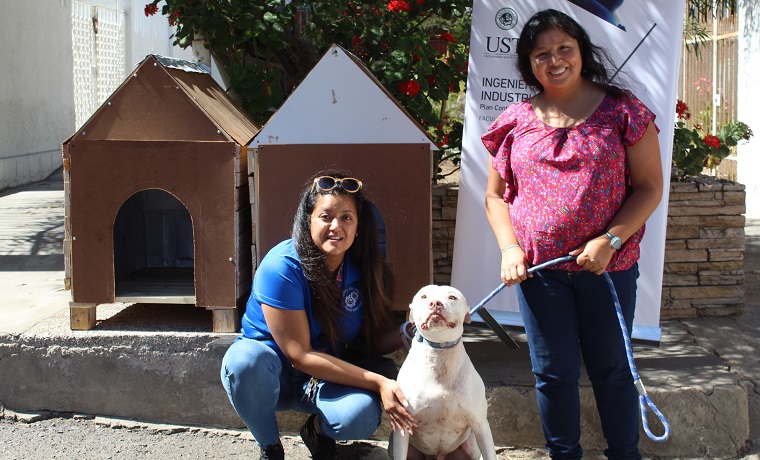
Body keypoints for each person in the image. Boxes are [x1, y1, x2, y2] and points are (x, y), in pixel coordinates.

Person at [481, 9, 663, 460]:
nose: (555, 60)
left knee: (613, 371)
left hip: (609, 270)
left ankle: (625, 455)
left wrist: (611, 240)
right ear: (528, 63)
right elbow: (495, 197)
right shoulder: (515, 120)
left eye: (565, 48)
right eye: (541, 53)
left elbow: (650, 188)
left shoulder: (623, 111)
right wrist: (509, 248)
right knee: (553, 374)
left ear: (582, 50)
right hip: (540, 276)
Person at [220, 172, 416, 460]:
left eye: (347, 217)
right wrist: (379, 382)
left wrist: (409, 331)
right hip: (274, 376)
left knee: (360, 417)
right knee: (246, 362)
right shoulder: (282, 266)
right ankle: (270, 447)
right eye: (325, 216)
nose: (336, 226)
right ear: (308, 220)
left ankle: (316, 430)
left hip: (323, 379)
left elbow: (367, 342)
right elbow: (299, 354)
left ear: (358, 226)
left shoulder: (365, 270)